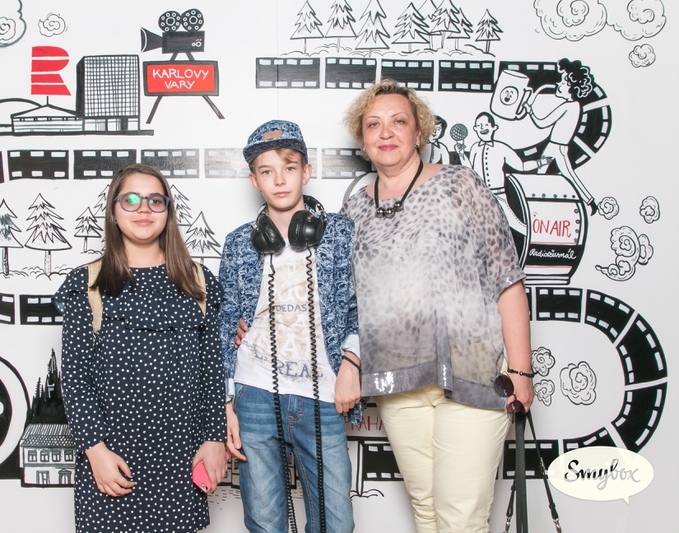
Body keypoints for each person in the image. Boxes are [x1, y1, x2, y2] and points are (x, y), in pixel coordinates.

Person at [340, 79, 534, 533]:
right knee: (426, 513)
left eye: (398, 121)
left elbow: (507, 277)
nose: (386, 132)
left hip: (472, 371)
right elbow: (342, 300)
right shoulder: (353, 210)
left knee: (460, 519)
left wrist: (521, 371)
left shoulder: (460, 184)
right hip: (397, 382)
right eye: (374, 125)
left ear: (419, 132)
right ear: (363, 140)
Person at [54, 164, 227, 532]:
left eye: (155, 200)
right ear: (113, 212)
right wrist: (95, 452)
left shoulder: (197, 281)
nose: (144, 209)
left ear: (168, 211)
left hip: (180, 459)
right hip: (112, 460)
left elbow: (213, 371)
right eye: (130, 200)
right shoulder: (87, 284)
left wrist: (214, 440)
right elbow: (76, 379)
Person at [218, 120, 362, 533]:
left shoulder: (340, 233)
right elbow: (226, 325)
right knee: (265, 522)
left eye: (289, 167)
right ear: (254, 180)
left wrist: (352, 363)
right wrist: (226, 403)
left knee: (336, 523)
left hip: (323, 395)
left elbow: (362, 307)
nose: (279, 180)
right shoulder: (238, 242)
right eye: (267, 171)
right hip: (254, 395)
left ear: (307, 171)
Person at [523, 58, 597, 214]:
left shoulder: (569, 106)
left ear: (572, 87)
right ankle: (588, 201)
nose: (558, 84)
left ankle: (536, 205)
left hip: (556, 147)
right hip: (556, 147)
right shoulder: (575, 106)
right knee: (548, 174)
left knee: (558, 175)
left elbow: (542, 123)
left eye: (563, 82)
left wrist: (530, 110)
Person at [457, 111, 552, 234]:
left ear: (494, 127)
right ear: (475, 128)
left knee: (515, 225)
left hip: (498, 196)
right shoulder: (475, 148)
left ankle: (532, 237)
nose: (482, 128)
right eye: (479, 126)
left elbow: (521, 166)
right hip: (479, 196)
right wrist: (461, 154)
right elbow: (470, 170)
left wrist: (540, 163)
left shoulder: (501, 148)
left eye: (485, 125)